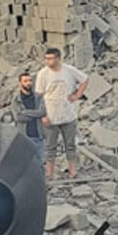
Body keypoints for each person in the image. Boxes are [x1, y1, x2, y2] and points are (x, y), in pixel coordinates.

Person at [36, 48, 89, 180]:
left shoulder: (69, 70)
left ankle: (73, 171)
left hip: (67, 114)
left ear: (59, 58)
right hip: (50, 115)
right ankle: (49, 173)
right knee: (50, 146)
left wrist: (77, 95)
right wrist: (43, 115)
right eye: (46, 59)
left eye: (51, 58)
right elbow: (39, 96)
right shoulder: (43, 74)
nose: (48, 61)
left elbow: (85, 79)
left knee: (70, 145)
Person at [13, 72, 48, 166]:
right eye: (25, 81)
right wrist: (35, 113)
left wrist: (25, 112)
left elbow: (42, 112)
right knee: (25, 164)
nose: (28, 83)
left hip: (38, 135)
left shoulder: (38, 97)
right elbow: (18, 117)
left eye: (30, 80)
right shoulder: (16, 99)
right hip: (24, 136)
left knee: (39, 163)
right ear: (20, 83)